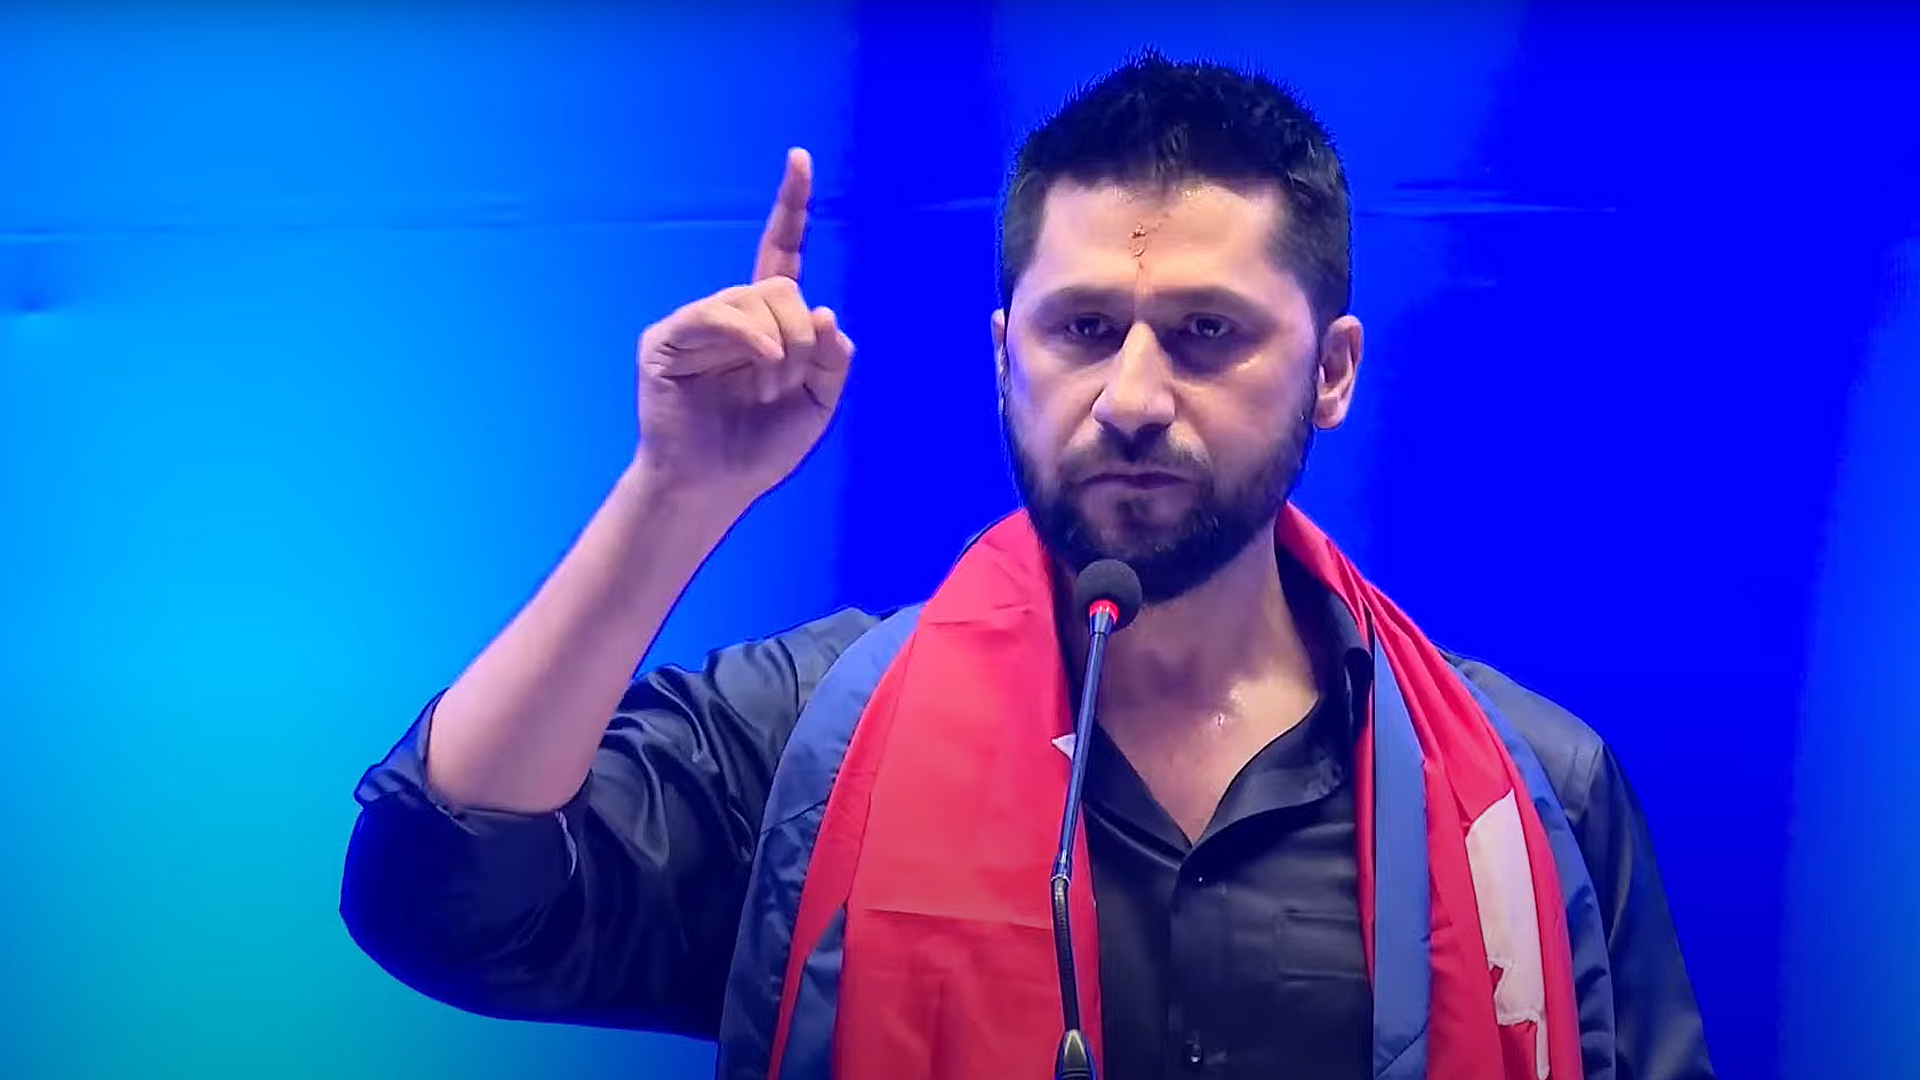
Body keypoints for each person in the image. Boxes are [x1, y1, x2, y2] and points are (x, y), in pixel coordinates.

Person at [340, 52, 1714, 1080]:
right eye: (1083, 329)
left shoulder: (1529, 795)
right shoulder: (817, 738)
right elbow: (442, 896)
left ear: (1333, 372)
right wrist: (672, 496)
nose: (1132, 396)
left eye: (1208, 333)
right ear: (1005, 357)